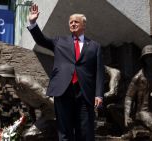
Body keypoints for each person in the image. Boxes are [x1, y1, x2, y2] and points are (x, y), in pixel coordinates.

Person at [28, 4, 104, 141]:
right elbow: (41, 40)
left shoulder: (94, 46)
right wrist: (33, 23)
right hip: (63, 91)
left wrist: (99, 94)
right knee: (64, 132)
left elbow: (99, 72)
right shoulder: (59, 41)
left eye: (76, 21)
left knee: (85, 132)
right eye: (70, 22)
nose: (73, 24)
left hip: (85, 93)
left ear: (84, 25)